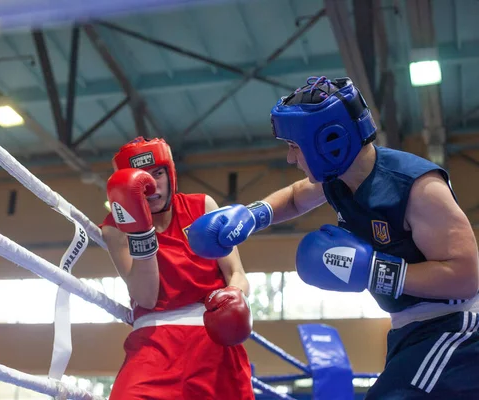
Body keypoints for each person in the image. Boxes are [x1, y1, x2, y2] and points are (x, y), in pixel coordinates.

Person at [187, 76, 479, 399]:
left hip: (458, 327)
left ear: (327, 143)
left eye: (294, 147)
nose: (290, 159)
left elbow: (467, 277)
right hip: (409, 330)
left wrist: (373, 270)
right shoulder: (339, 180)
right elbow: (297, 197)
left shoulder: (417, 188)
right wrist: (253, 215)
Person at [100, 136, 255, 400]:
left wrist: (234, 296)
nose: (150, 186)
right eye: (141, 179)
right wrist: (140, 230)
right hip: (153, 345)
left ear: (170, 173)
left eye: (157, 174)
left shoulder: (201, 207)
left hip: (213, 339)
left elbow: (236, 274)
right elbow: (147, 296)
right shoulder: (115, 227)